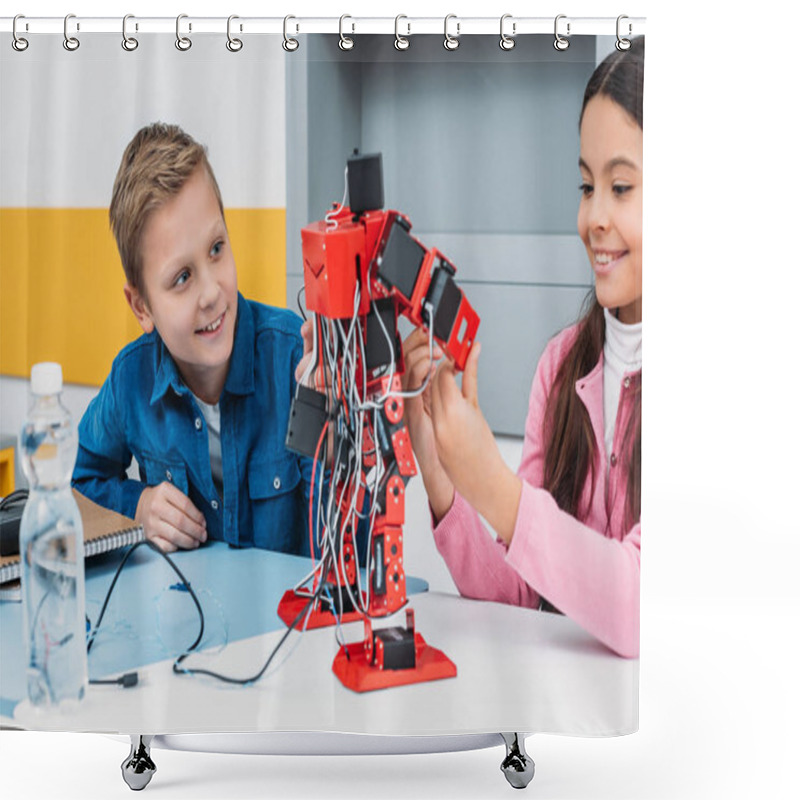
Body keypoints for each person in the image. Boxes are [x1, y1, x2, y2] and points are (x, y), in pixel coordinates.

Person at [402, 38, 644, 658]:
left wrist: (497, 489)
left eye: (622, 187)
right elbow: (518, 594)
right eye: (587, 186)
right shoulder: (561, 367)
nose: (593, 216)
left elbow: (642, 603)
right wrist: (443, 472)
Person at [73, 123, 324, 556]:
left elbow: (347, 550)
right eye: (182, 277)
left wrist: (342, 434)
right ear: (142, 308)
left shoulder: (295, 363)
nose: (211, 294)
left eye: (216, 249)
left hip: (290, 621)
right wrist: (140, 505)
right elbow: (81, 487)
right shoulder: (130, 380)